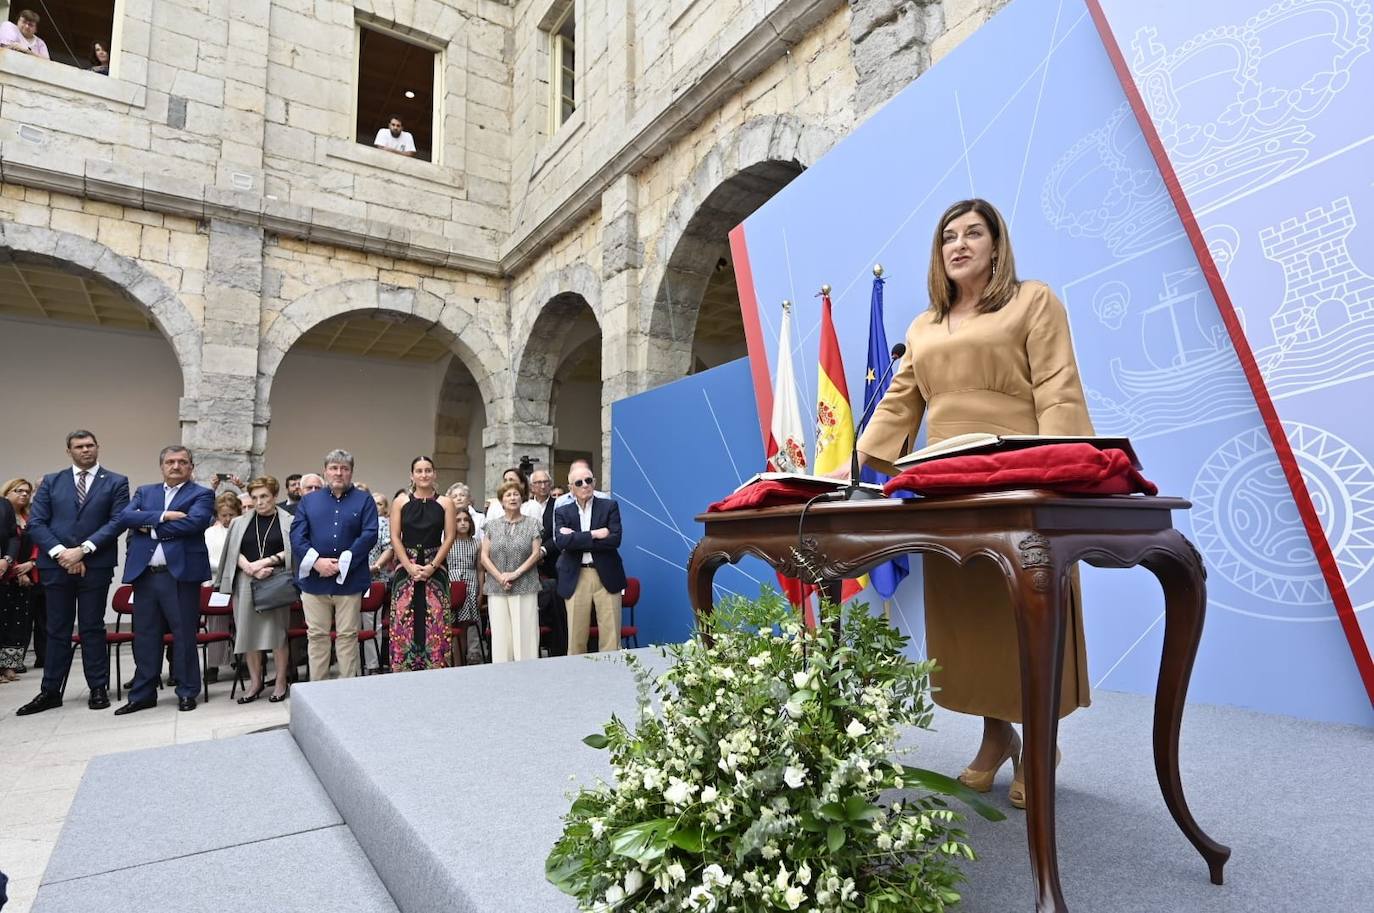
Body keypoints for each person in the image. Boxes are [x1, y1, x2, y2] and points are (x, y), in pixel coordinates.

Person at [854, 198, 1093, 809]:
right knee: (969, 619)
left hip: (1019, 477)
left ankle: (1042, 742)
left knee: (1027, 614)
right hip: (946, 486)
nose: (958, 244)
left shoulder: (1032, 300)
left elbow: (1058, 387)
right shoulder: (923, 326)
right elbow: (900, 403)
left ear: (996, 245)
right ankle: (995, 737)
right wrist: (855, 462)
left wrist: (1060, 475)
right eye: (948, 237)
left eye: (973, 234)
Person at [17, 430, 130, 716]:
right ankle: (50, 691)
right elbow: (37, 523)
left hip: (96, 565)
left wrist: (84, 550)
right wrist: (63, 553)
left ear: (98, 447)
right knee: (56, 630)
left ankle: (98, 688)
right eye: (79, 446)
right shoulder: (52, 481)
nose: (86, 450)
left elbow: (118, 521)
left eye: (90, 445)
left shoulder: (116, 481)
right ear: (69, 451)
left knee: (92, 627)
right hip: (56, 566)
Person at [113, 446, 215, 714]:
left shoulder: (201, 494)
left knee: (183, 636)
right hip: (146, 576)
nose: (176, 466)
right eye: (170, 461)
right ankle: (143, 693)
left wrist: (147, 527)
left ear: (191, 467)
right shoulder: (146, 492)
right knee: (145, 636)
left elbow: (195, 523)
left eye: (182, 462)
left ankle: (187, 690)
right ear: (162, 466)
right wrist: (163, 517)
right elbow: (124, 517)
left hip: (179, 577)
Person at [290, 450, 378, 682]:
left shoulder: (364, 500)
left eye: (344, 468)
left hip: (350, 580)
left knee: (348, 636)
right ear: (325, 471)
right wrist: (317, 562)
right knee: (317, 636)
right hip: (314, 580)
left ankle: (346, 690)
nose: (339, 473)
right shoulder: (309, 500)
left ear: (351, 472)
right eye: (334, 468)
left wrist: (344, 562)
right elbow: (297, 535)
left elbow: (370, 534)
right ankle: (318, 690)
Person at [215, 476, 293, 704]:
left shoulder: (288, 521)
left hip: (276, 580)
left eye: (264, 497)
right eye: (255, 497)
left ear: (274, 496)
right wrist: (250, 567)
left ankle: (280, 681)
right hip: (245, 581)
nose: (259, 502)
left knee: (277, 635)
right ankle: (255, 682)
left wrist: (266, 562)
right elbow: (231, 550)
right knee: (248, 634)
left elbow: (293, 551)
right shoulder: (240, 522)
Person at [389, 457, 457, 671]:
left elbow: (449, 537)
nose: (424, 474)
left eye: (428, 470)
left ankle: (436, 668)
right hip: (406, 569)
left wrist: (432, 566)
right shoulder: (400, 502)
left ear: (434, 474)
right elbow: (395, 537)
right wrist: (409, 566)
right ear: (412, 475)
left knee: (436, 620)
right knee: (403, 620)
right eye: (419, 471)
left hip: (435, 568)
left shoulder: (445, 503)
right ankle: (404, 670)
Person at [554, 460, 626, 655]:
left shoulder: (609, 506)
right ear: (571, 488)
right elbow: (562, 542)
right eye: (579, 483)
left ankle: (611, 677)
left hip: (607, 574)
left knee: (611, 638)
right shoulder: (562, 511)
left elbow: (614, 539)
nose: (585, 485)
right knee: (576, 638)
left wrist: (576, 538)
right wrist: (594, 534)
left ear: (594, 482)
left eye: (588, 480)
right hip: (576, 576)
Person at [480, 480, 542, 662]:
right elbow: (484, 556)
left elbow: (535, 553)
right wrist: (500, 577)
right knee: (500, 635)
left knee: (525, 633)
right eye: (508, 495)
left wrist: (515, 574)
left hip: (525, 584)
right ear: (501, 500)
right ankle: (502, 674)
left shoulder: (532, 524)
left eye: (516, 494)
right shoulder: (491, 525)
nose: (512, 498)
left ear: (522, 498)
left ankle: (527, 673)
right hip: (496, 586)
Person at [0, 480, 40, 680]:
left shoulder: (29, 517)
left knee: (17, 624)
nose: (24, 495)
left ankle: (10, 666)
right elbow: (7, 543)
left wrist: (32, 564)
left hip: (26, 577)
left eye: (27, 492)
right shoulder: (3, 514)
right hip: (7, 574)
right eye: (19, 491)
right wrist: (17, 569)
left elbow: (37, 544)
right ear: (7, 492)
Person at [202, 491, 242, 674]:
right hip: (215, 582)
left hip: (239, 581)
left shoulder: (242, 530)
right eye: (223, 515)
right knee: (216, 622)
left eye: (231, 515)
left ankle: (241, 660)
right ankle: (214, 664)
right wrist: (226, 565)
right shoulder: (210, 533)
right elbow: (206, 557)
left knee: (241, 623)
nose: (227, 519)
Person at [530, 468, 568, 657]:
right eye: (538, 483)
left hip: (553, 563)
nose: (543, 486)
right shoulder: (526, 506)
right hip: (530, 566)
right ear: (531, 487)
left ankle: (557, 649)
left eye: (546, 482)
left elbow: (560, 533)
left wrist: (543, 550)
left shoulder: (559, 505)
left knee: (557, 607)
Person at [445, 509, 482, 663]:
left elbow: (480, 569)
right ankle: (451, 661)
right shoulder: (448, 542)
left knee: (464, 628)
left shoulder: (476, 543)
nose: (462, 523)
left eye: (465, 520)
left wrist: (480, 592)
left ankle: (462, 660)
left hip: (470, 584)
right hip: (451, 584)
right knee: (450, 627)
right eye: (458, 520)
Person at [0, 487, 19, 681]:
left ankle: (7, 665)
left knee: (7, 621)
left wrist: (7, 559)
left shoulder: (4, 504)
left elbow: (13, 536)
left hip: (3, 571)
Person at [368, 492, 394, 581]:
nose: (375, 506)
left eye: (379, 504)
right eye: (373, 503)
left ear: (385, 508)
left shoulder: (385, 523)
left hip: (377, 577)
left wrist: (376, 567)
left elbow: (389, 548)